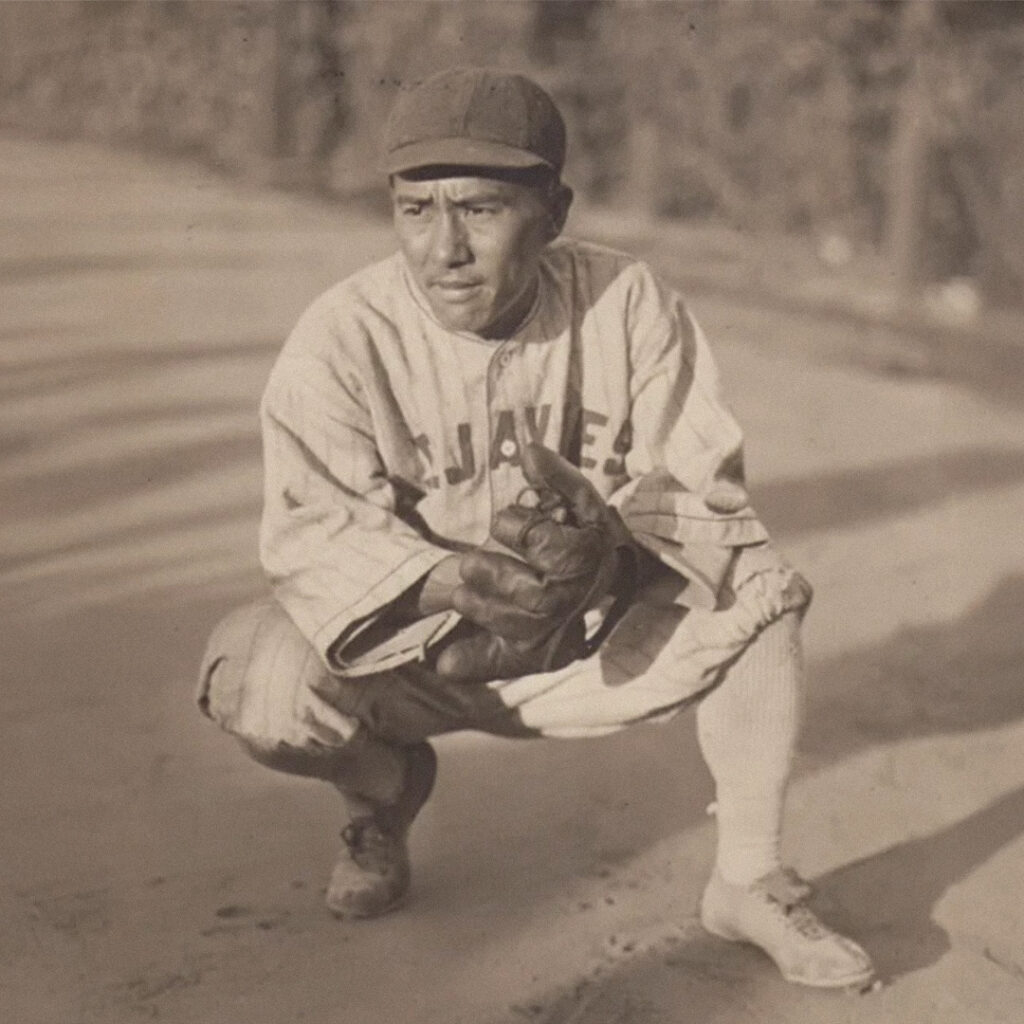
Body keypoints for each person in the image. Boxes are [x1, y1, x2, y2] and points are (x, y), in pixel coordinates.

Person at [197, 67, 875, 990]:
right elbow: (309, 538)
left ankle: (748, 878)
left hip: (591, 648)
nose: (445, 248)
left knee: (759, 583)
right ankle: (383, 792)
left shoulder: (626, 302)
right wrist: (447, 581)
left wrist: (614, 547)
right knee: (259, 682)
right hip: (423, 660)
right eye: (415, 209)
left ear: (552, 213)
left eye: (479, 209)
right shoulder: (344, 335)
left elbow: (704, 489)